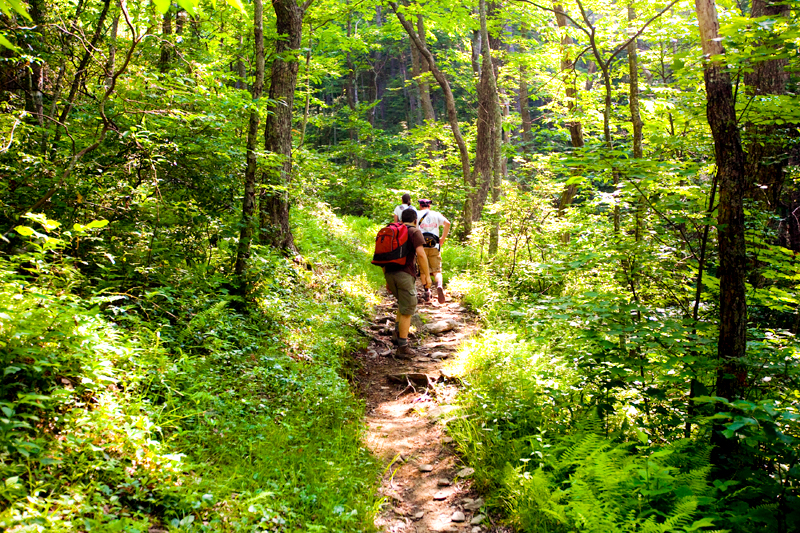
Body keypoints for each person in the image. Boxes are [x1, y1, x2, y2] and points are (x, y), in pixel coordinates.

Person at [384, 208, 431, 358]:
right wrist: (427, 276)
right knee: (408, 310)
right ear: (415, 220)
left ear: (400, 219)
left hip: (390, 273)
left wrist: (386, 277)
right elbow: (421, 255)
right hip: (404, 274)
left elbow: (384, 255)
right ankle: (402, 347)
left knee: (402, 304)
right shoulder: (414, 232)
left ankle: (396, 335)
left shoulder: (391, 230)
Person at [416, 199, 450, 304]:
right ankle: (439, 285)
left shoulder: (416, 214)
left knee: (423, 270)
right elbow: (447, 223)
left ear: (420, 206)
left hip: (421, 246)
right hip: (434, 245)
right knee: (437, 270)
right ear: (429, 206)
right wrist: (442, 239)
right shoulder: (436, 214)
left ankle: (427, 291)